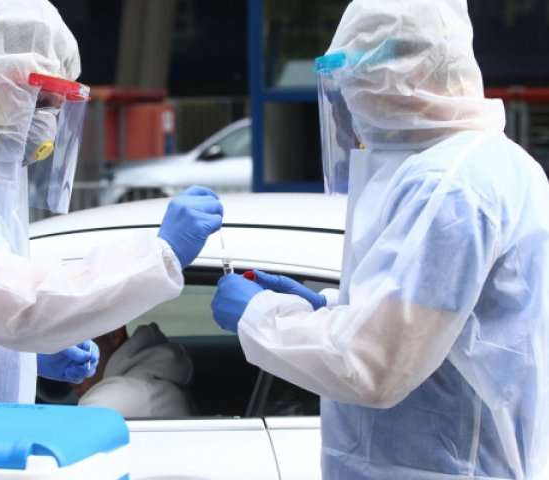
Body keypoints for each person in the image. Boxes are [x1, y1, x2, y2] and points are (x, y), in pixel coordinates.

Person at [211, 0, 549, 478]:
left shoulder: (447, 186)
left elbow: (375, 364)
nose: (352, 100)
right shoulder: (491, 164)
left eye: (357, 78)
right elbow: (440, 321)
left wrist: (259, 316)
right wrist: (330, 308)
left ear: (409, 73)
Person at [0, 0, 223, 419]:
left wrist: (21, 356)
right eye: (36, 99)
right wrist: (157, 256)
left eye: (55, 105)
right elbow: (12, 305)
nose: (46, 120)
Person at [71, 323, 196, 418]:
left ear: (114, 334)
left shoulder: (121, 396)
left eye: (76, 340)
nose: (66, 355)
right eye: (60, 343)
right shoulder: (149, 385)